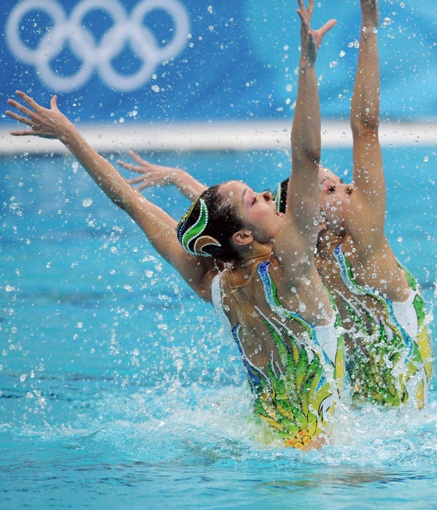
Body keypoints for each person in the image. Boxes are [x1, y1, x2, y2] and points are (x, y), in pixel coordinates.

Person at [6, 1, 344, 450]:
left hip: (265, 442)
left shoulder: (216, 284)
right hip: (323, 455)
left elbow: (130, 203)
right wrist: (307, 65)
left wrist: (71, 137)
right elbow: (307, 157)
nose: (268, 195)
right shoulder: (294, 268)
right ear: (243, 237)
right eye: (255, 199)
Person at [118, 0, 433, 409]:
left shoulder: (356, 243)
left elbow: (365, 128)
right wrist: (188, 186)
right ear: (310, 215)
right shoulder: (296, 258)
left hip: (403, 406)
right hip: (364, 410)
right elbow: (236, 223)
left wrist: (370, 26)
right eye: (333, 190)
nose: (351, 188)